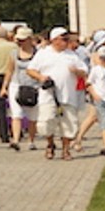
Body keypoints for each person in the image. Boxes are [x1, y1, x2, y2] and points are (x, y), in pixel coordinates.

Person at [28, 27, 88, 160]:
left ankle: (66, 150)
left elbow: (84, 71)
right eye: (63, 39)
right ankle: (50, 144)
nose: (66, 42)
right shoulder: (43, 54)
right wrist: (41, 77)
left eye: (67, 39)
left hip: (68, 94)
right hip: (48, 94)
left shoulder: (72, 55)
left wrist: (77, 71)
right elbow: (30, 70)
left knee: (69, 123)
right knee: (46, 121)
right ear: (54, 40)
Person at [8, 27, 40, 150]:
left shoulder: (38, 54)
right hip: (16, 85)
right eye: (18, 40)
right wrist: (5, 86)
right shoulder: (14, 53)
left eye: (22, 40)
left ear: (29, 39)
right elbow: (9, 70)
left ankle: (31, 140)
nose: (19, 42)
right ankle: (16, 140)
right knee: (16, 114)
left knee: (33, 116)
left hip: (34, 86)